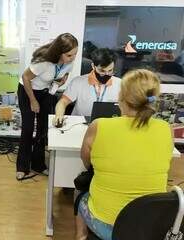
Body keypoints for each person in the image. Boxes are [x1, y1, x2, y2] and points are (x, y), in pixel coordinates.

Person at [75, 69, 173, 240]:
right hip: (150, 226)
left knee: (80, 195)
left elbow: (86, 162)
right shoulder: (166, 128)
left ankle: (81, 236)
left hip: (108, 225)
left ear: (122, 96)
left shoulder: (99, 126)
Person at [16, 33, 78, 180]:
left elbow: (65, 74)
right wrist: (33, 101)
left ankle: (38, 164)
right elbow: (26, 78)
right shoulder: (43, 62)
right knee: (28, 128)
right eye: (69, 55)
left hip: (45, 91)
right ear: (59, 52)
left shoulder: (69, 61)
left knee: (44, 129)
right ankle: (22, 167)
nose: (73, 58)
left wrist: (61, 82)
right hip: (27, 91)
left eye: (75, 54)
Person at [53, 48, 121, 125]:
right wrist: (58, 115)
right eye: (102, 71)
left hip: (107, 125)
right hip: (80, 124)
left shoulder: (120, 84)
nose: (106, 74)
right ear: (93, 66)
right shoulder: (78, 81)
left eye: (110, 71)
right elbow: (63, 102)